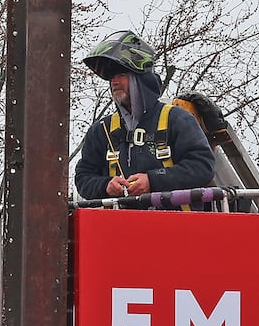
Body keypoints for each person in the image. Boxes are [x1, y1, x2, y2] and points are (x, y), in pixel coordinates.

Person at [74, 31, 214, 209]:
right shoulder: (102, 130)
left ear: (140, 79)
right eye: (111, 77)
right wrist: (106, 185)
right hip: (121, 231)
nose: (114, 81)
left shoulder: (177, 120)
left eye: (122, 74)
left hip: (178, 230)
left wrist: (153, 180)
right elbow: (84, 177)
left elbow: (203, 166)